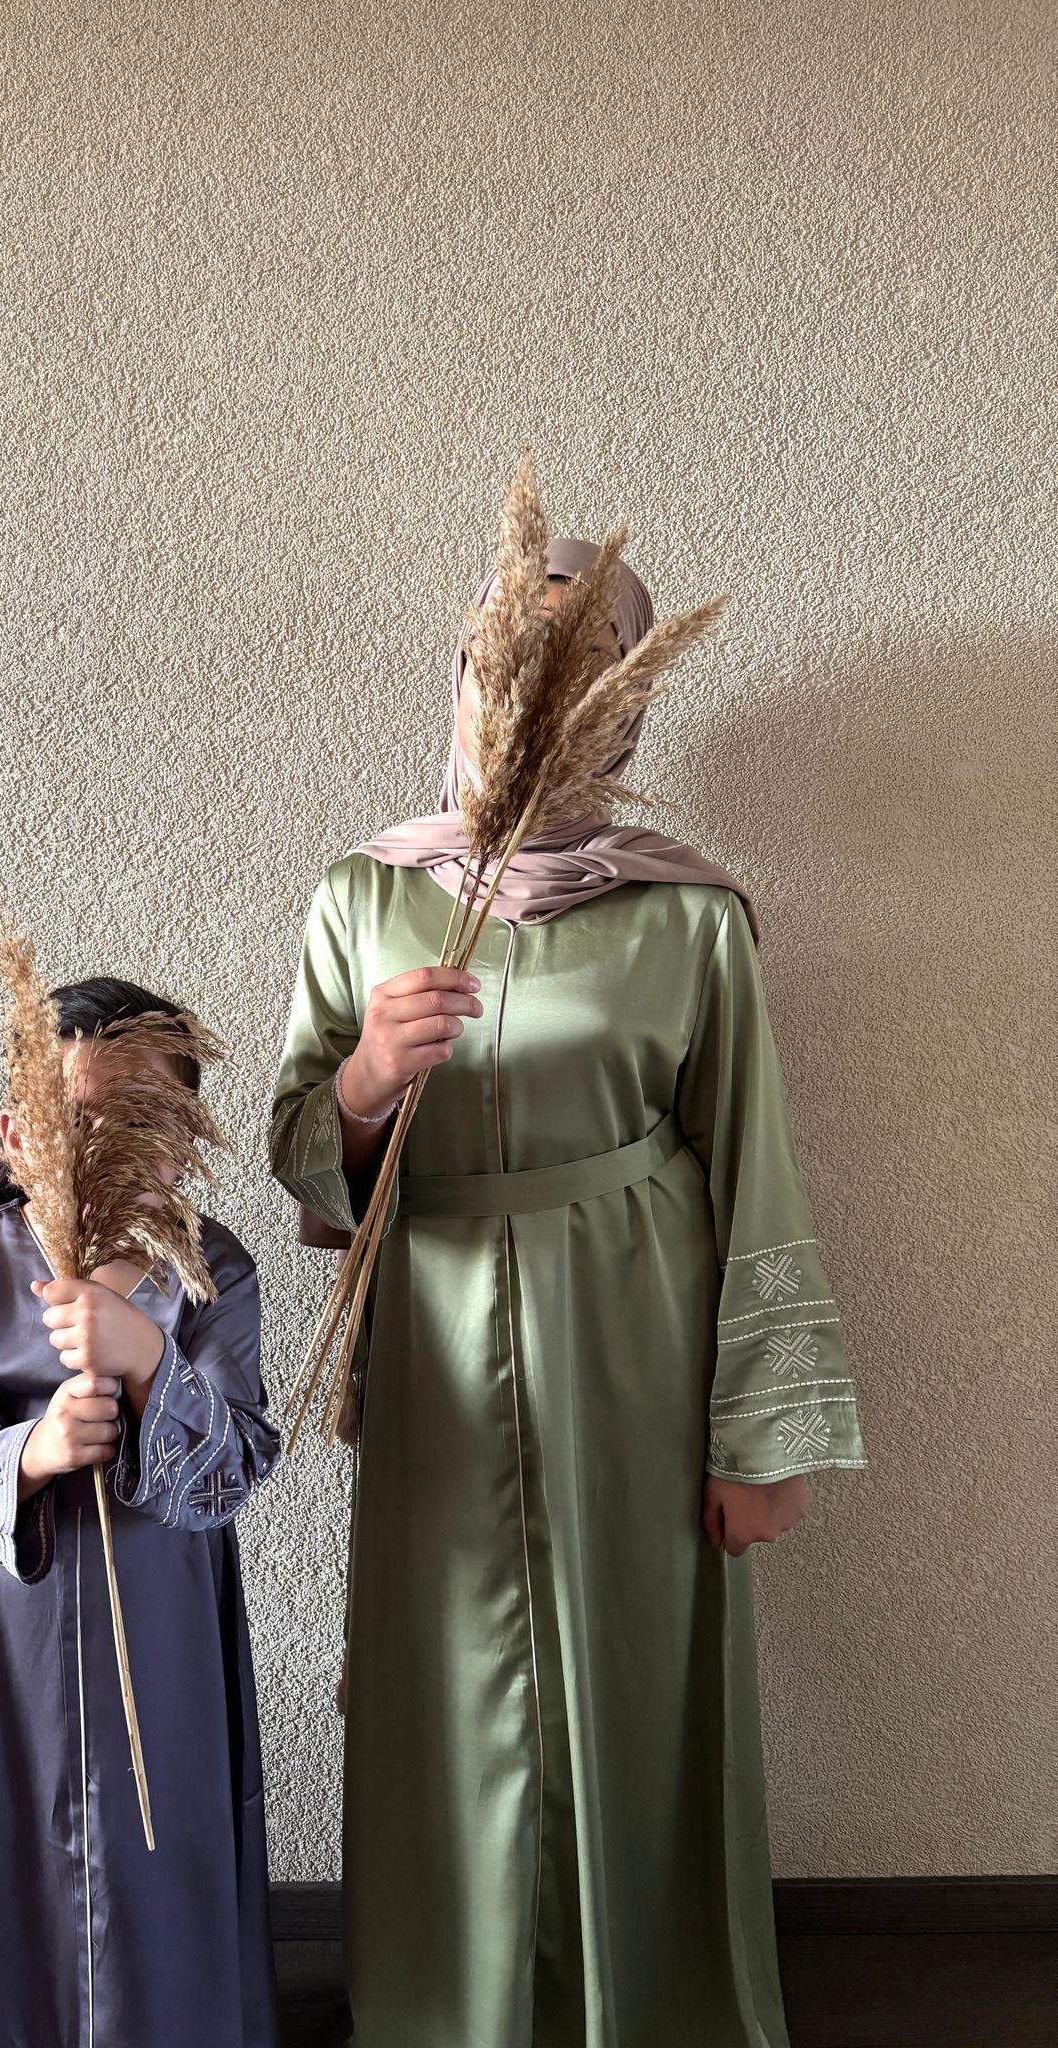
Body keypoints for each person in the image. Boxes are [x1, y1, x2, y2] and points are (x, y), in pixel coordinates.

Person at [269, 543, 867, 2048]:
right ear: (461, 672)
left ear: (627, 698)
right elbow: (303, 1166)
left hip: (636, 1347)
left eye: (574, 661)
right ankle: (449, 2007)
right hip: (437, 1359)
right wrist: (364, 1080)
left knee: (635, 1677)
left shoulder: (689, 917)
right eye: (497, 655)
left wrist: (762, 1436)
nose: (520, 686)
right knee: (449, 1679)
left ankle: (651, 2008)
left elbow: (754, 1169)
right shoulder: (365, 895)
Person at [0, 977, 281, 2048]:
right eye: (78, 1117)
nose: (106, 1142)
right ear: (20, 1133)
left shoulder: (211, 1271)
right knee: (2, 1842)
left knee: (159, 1845)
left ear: (186, 1135)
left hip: (162, 1628)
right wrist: (34, 1450)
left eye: (142, 1117)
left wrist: (151, 1362)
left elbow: (236, 1464)